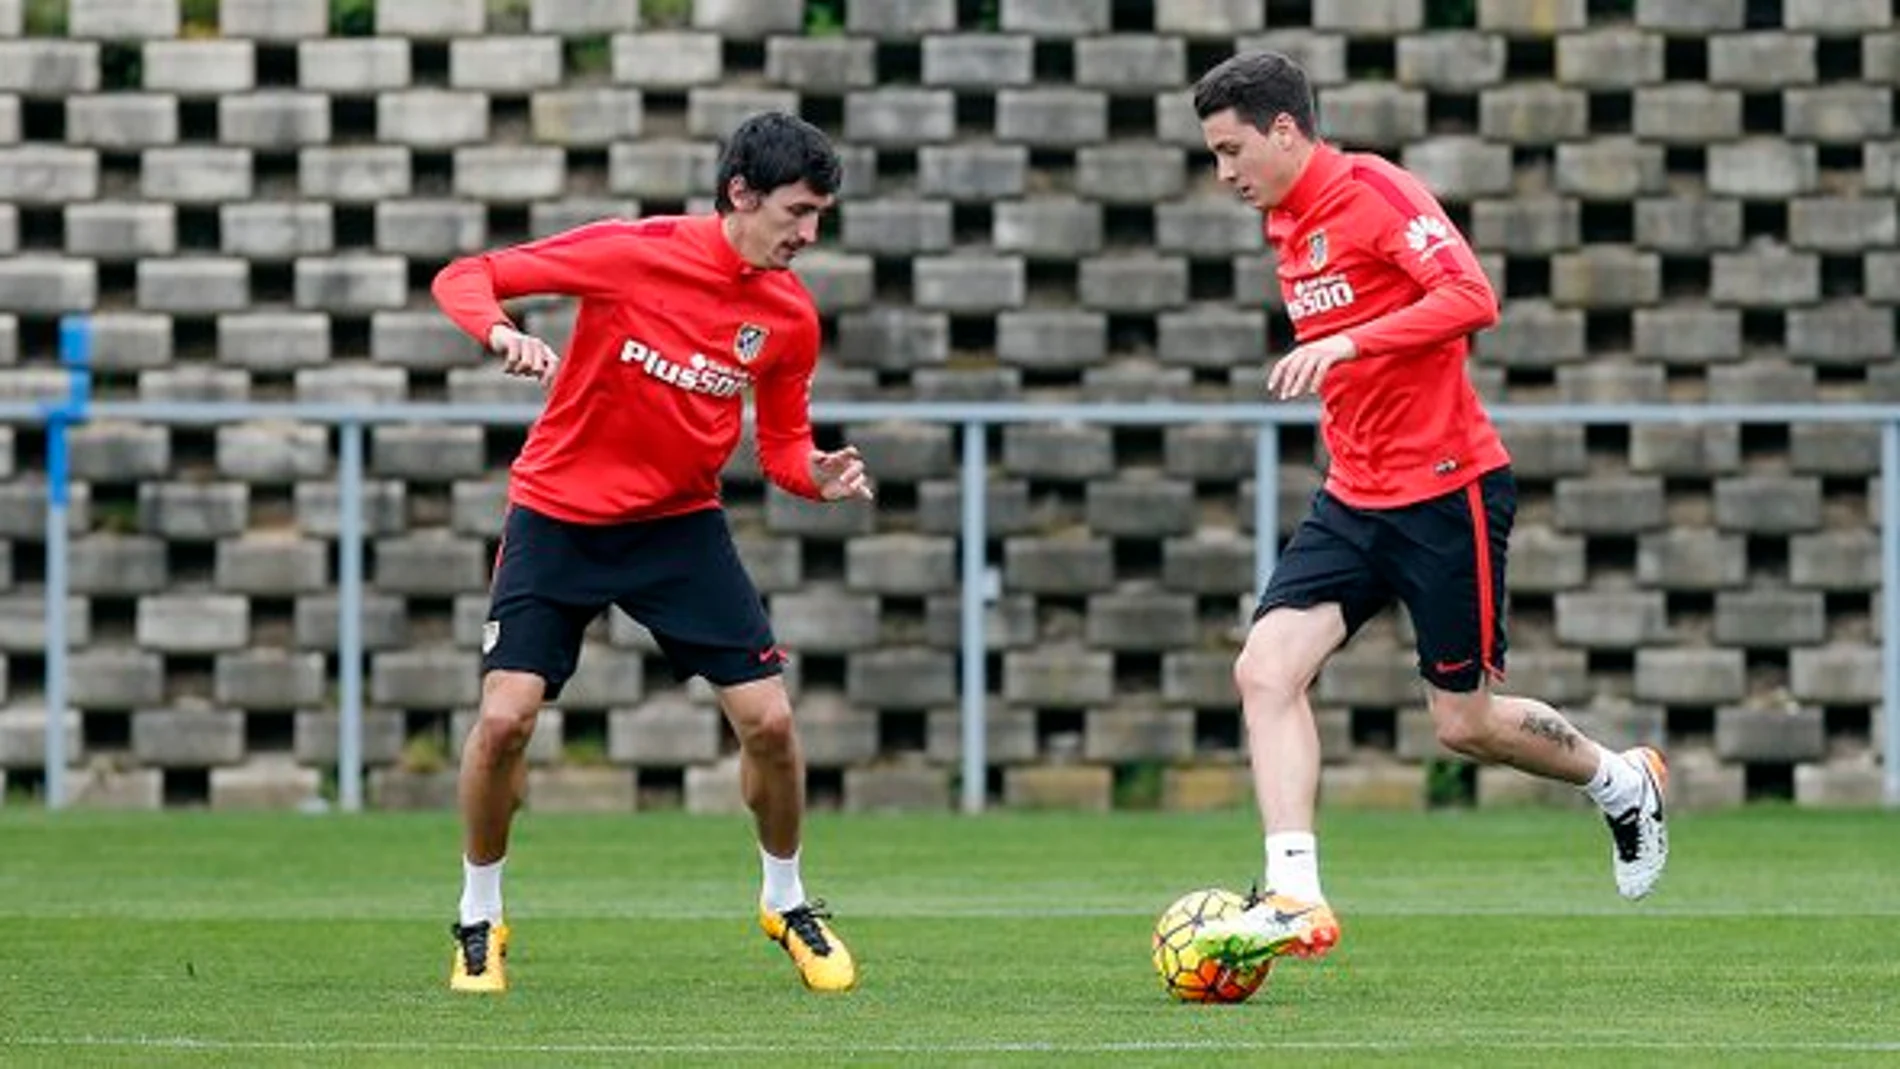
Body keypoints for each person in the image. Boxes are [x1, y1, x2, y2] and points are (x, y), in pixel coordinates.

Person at [1183, 52, 1669, 969]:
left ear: (1284, 130)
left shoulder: (1375, 191)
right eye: (1214, 155)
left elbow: (1472, 297)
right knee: (1265, 670)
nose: (1224, 173)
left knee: (1463, 724)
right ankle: (1294, 893)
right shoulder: (1284, 219)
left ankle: (1620, 780)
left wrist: (1347, 343)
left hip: (1448, 490)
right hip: (1352, 495)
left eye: (1231, 150)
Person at [429, 111, 873, 995]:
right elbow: (467, 275)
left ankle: (785, 901)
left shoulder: (789, 315)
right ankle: (480, 918)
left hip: (678, 528)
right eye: (797, 211)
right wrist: (499, 331)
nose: (808, 234)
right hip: (558, 515)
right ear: (740, 193)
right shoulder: (631, 253)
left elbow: (782, 446)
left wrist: (814, 475)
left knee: (772, 724)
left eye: (820, 215)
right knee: (506, 720)